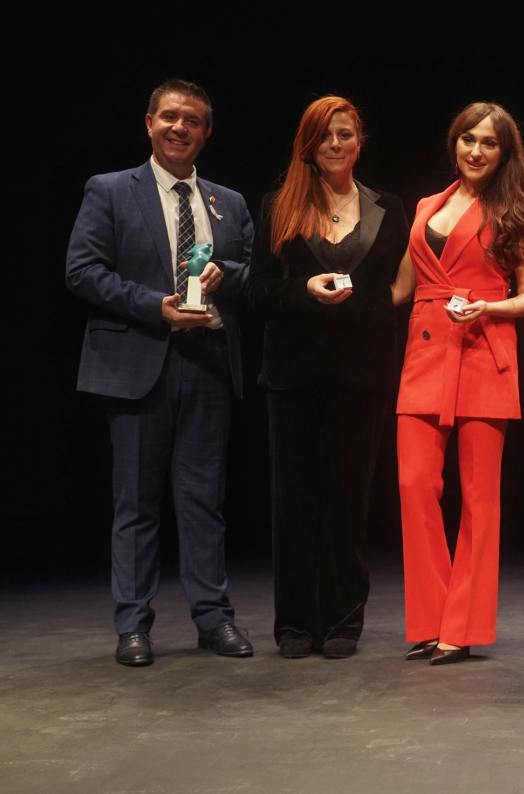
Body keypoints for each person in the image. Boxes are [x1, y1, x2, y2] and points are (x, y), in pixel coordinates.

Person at [65, 79, 254, 666]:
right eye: (169, 117)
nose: (180, 128)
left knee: (203, 501)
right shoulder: (111, 190)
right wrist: (156, 306)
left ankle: (213, 619)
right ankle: (133, 626)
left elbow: (250, 269)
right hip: (138, 362)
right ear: (149, 123)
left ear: (207, 132)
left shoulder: (230, 201)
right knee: (138, 503)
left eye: (192, 120)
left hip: (207, 363)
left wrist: (225, 271)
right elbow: (82, 270)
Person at [247, 96, 409, 659]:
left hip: (363, 373)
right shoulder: (278, 206)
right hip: (294, 373)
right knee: (294, 502)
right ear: (308, 146)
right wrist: (304, 291)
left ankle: (342, 619)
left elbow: (397, 290)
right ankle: (294, 622)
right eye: (324, 137)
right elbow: (260, 288)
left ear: (359, 140)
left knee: (348, 501)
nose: (335, 145)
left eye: (344, 135)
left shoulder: (388, 207)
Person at [391, 102, 524, 665]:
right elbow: (401, 287)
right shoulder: (428, 205)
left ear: (504, 153)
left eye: (489, 143)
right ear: (454, 143)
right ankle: (429, 620)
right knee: (414, 485)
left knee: (480, 500)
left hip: (483, 351)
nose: (476, 151)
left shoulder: (515, 210)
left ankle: (463, 625)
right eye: (467, 140)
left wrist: (487, 308)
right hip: (425, 354)